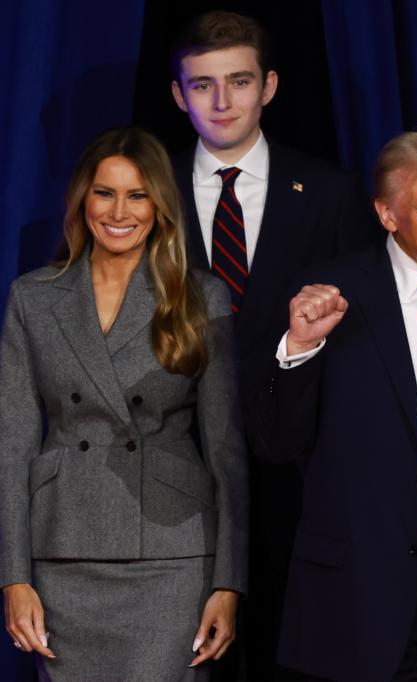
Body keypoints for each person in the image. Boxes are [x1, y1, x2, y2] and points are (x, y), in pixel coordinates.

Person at [247, 127, 417, 680]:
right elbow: (275, 442)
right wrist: (300, 348)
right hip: (365, 578)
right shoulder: (329, 294)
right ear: (387, 214)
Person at [168, 11, 375, 676]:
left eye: (239, 82)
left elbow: (360, 346)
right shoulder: (145, 197)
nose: (222, 102)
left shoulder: (332, 192)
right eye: (203, 85)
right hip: (174, 488)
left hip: (299, 484)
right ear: (179, 94)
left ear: (270, 86)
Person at [0, 128, 248, 680]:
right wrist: (14, 578)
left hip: (173, 553)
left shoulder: (198, 296)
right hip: (64, 550)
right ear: (82, 200)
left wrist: (229, 582)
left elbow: (226, 448)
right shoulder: (33, 297)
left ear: (159, 205)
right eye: (104, 193)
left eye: (137, 195)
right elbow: (12, 446)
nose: (119, 211)